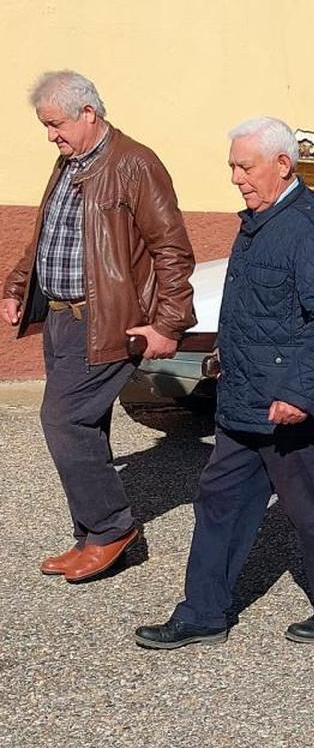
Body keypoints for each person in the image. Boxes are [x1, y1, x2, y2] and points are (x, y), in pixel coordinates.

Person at [135, 117, 314, 649]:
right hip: (245, 401)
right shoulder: (259, 222)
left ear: (283, 165)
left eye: (246, 166)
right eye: (233, 166)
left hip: (291, 407)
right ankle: (202, 613)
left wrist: (300, 395)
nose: (237, 177)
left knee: (306, 507)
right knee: (218, 499)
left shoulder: (313, 229)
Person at [2, 70, 195, 583]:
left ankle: (112, 530)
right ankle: (91, 538)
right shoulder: (69, 164)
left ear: (89, 112)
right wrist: (19, 286)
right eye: (45, 126)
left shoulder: (135, 163)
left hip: (108, 320)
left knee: (64, 421)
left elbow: (172, 249)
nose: (51, 135)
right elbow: (47, 234)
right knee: (89, 425)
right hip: (63, 320)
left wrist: (168, 323)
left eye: (56, 123)